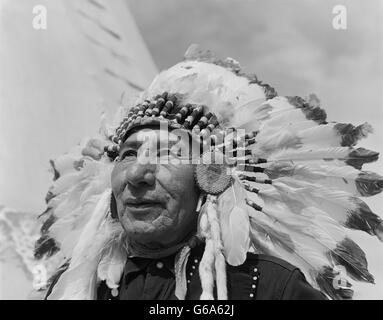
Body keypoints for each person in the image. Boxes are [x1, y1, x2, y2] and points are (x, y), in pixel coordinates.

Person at [35, 46, 383, 300]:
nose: (138, 172)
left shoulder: (271, 289)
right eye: (127, 155)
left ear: (208, 178)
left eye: (167, 154)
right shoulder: (74, 288)